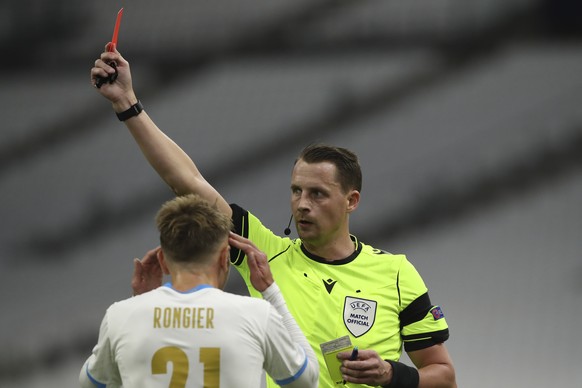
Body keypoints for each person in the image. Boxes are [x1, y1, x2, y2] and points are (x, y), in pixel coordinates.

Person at [91, 46, 457, 388]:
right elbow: (187, 181)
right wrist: (127, 103)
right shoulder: (264, 255)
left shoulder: (396, 274)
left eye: (317, 194)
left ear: (352, 201)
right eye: (296, 190)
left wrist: (392, 374)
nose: (302, 204)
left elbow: (443, 375)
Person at [79, 194, 319, 388]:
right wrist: (271, 291)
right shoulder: (257, 315)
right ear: (225, 258)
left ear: (162, 260)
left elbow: (91, 383)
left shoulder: (121, 317)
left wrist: (140, 301)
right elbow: (307, 380)